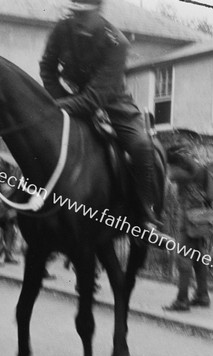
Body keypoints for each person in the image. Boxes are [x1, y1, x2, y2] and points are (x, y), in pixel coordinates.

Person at [39, 0, 158, 231]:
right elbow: (47, 67)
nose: (77, 20)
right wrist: (60, 97)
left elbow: (95, 99)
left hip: (113, 105)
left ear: (99, 12)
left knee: (142, 147)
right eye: (74, 13)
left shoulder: (116, 42)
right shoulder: (62, 29)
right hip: (70, 98)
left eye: (84, 14)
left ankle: (144, 216)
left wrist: (61, 106)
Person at [163, 138, 213, 312]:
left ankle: (182, 300)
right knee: (199, 258)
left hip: (189, 219)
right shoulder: (203, 169)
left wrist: (167, 155)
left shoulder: (189, 170)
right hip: (202, 217)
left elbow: (171, 175)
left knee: (183, 259)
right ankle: (202, 295)